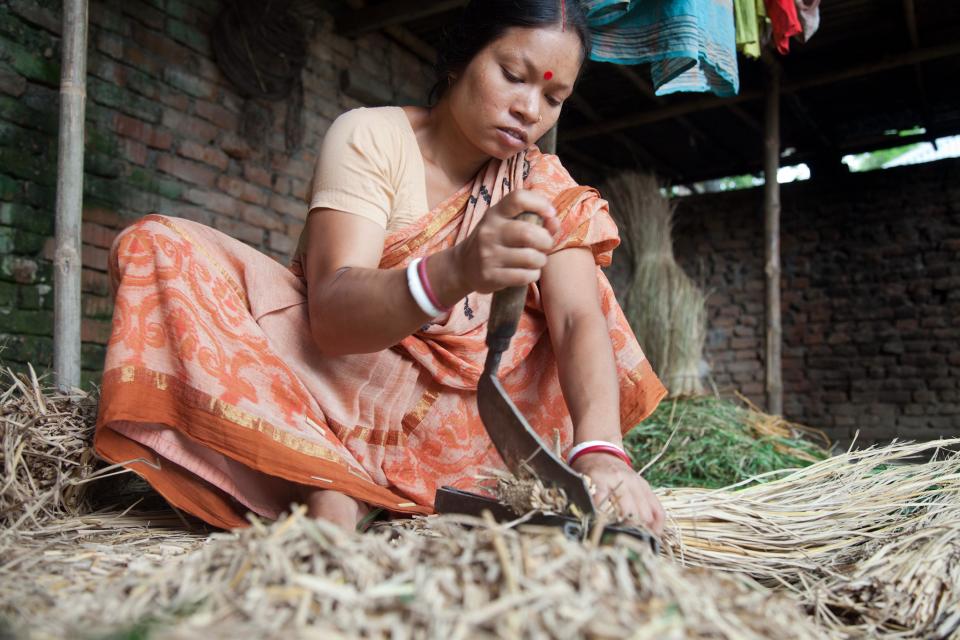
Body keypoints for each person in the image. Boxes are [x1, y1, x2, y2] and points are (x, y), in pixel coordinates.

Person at [94, 0, 668, 535]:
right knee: (156, 246)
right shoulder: (372, 137)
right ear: (460, 56)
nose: (529, 108)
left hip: (470, 427)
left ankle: (339, 487)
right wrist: (457, 269)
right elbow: (333, 320)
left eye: (554, 97)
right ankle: (327, 478)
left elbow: (575, 321)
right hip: (334, 383)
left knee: (574, 266)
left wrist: (599, 452)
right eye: (512, 75)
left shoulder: (541, 183)